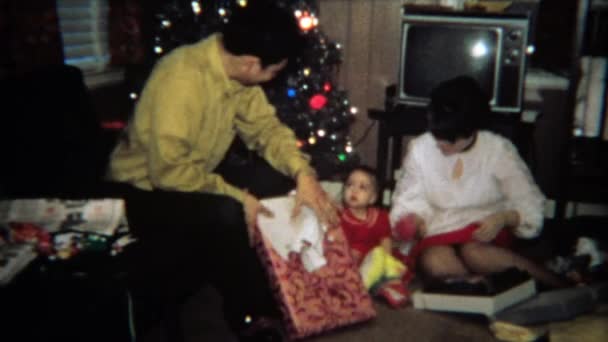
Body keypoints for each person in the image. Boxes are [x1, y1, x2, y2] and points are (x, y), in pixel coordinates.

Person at [106, 1, 339, 340]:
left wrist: (303, 174)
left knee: (276, 179)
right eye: (272, 71)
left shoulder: (237, 75)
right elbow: (168, 172)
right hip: (140, 191)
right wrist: (235, 194)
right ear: (250, 63)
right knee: (227, 209)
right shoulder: (181, 78)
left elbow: (266, 131)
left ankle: (289, 286)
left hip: (190, 176)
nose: (273, 78)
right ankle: (251, 315)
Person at [389, 75, 566, 289]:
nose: (440, 144)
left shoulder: (498, 150)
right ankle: (478, 288)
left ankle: (557, 283)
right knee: (435, 262)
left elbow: (529, 202)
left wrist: (505, 217)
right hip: (439, 228)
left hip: (484, 228)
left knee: (475, 254)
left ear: (472, 130)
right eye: (437, 135)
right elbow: (410, 197)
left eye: (450, 138)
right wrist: (415, 220)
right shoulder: (420, 148)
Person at [340, 166, 410, 308]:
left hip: (375, 262)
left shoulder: (380, 216)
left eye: (362, 187)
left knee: (380, 256)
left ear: (372, 198)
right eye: (350, 185)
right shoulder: (340, 217)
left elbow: (386, 242)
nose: (354, 190)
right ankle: (369, 288)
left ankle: (387, 285)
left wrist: (386, 261)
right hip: (352, 266)